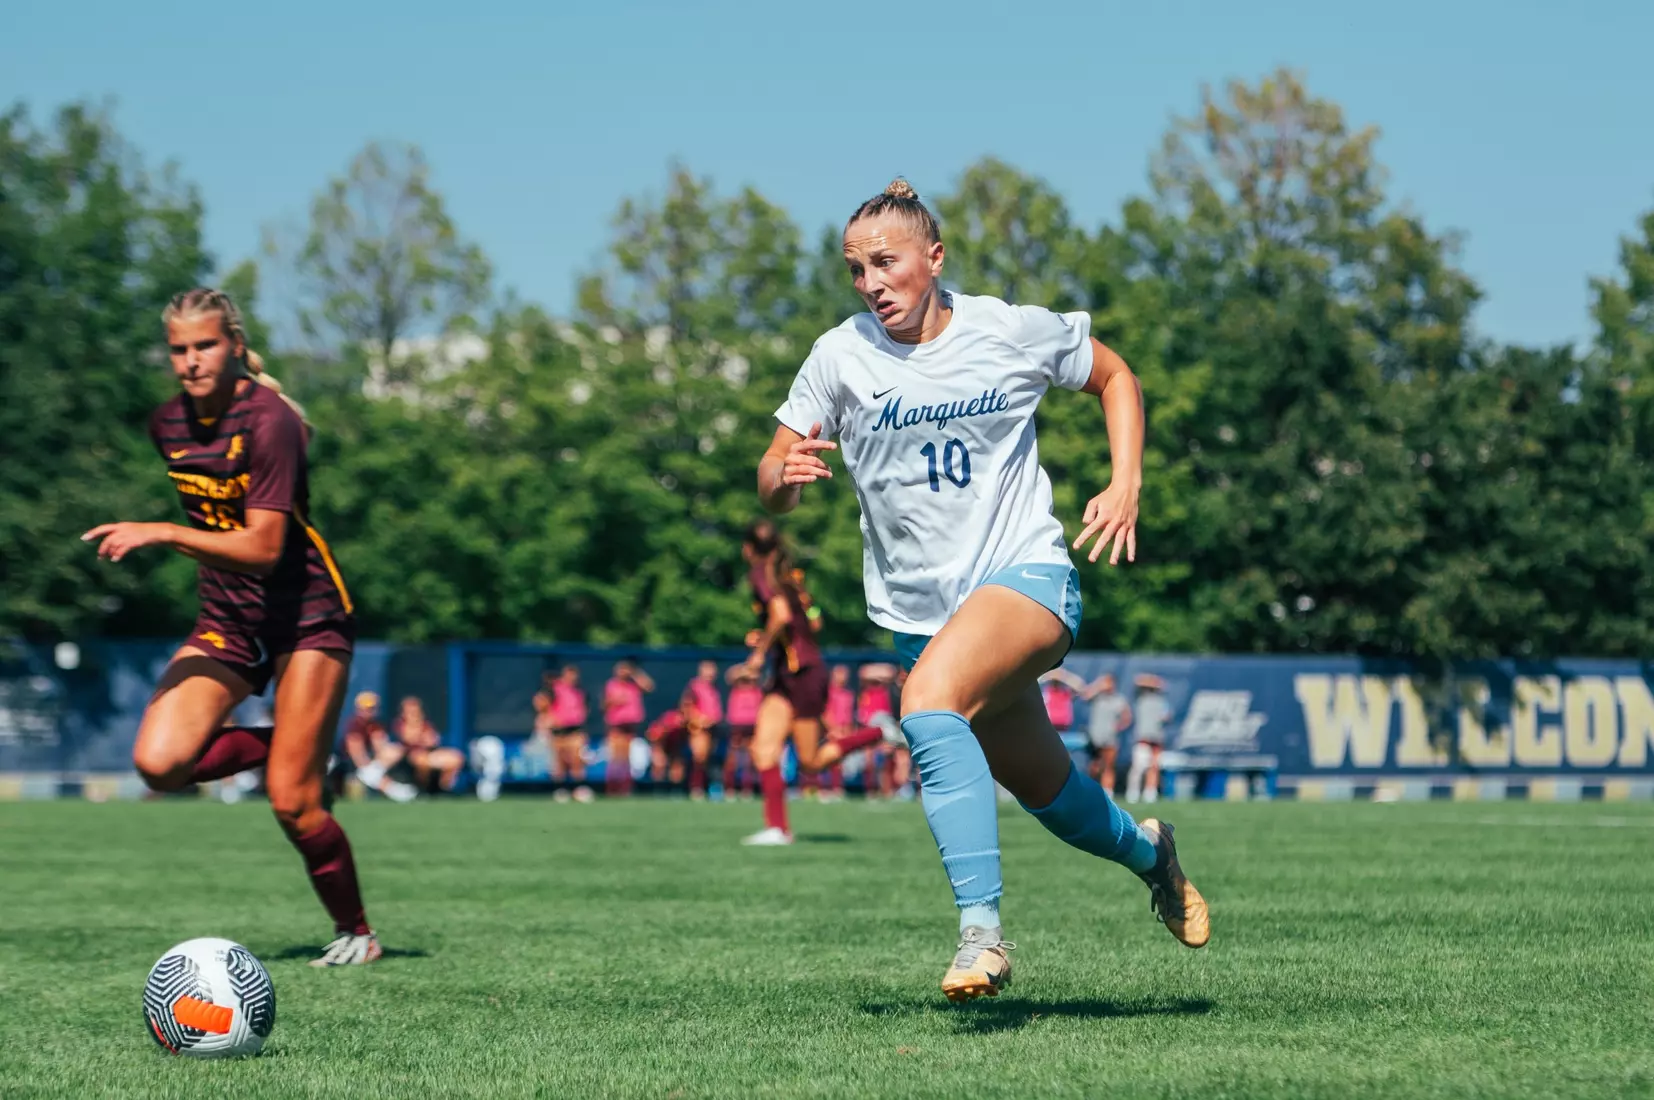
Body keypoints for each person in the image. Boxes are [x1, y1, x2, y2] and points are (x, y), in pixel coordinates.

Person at [757, 180, 1207, 1001]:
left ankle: (982, 937)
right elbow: (771, 472)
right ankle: (1153, 855)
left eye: (885, 263)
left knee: (928, 704)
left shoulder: (1007, 328)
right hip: (919, 615)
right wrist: (782, 477)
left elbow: (1114, 376)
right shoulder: (840, 355)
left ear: (934, 258)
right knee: (1052, 795)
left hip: (1025, 577)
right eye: (856, 269)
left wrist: (1126, 481)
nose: (870, 283)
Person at [85, 287, 381, 967]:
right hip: (228, 618)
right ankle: (296, 753)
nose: (191, 361)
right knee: (160, 764)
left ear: (237, 347)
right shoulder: (168, 423)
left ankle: (358, 932)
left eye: (206, 345)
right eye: (179, 349)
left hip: (305, 616)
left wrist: (161, 532)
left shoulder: (270, 420)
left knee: (294, 808)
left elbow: (263, 549)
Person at [738, 520, 891, 845]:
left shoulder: (760, 574)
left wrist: (759, 652)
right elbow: (814, 621)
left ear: (748, 548)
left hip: (803, 675)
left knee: (810, 762)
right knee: (764, 750)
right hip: (788, 676)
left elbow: (780, 615)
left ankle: (880, 731)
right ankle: (778, 829)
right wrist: (771, 636)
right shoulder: (791, 578)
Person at [343, 691, 418, 802]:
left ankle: (371, 774)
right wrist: (365, 767)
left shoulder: (376, 724)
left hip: (373, 762)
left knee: (395, 750)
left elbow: (381, 746)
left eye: (372, 708)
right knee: (370, 770)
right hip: (354, 763)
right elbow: (357, 753)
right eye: (366, 708)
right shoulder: (355, 724)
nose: (369, 711)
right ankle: (390, 787)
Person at [392, 695, 465, 794]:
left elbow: (432, 740)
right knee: (421, 760)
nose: (414, 713)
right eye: (410, 710)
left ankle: (445, 788)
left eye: (416, 709)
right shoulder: (400, 723)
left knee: (455, 758)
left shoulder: (425, 724)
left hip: (430, 752)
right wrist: (419, 734)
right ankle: (423, 789)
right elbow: (409, 739)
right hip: (411, 756)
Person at [602, 659, 654, 797]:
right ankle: (612, 788)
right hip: (616, 727)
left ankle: (625, 788)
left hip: (630, 728)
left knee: (626, 759)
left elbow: (649, 686)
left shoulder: (634, 685)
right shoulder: (612, 685)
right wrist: (615, 701)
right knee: (615, 758)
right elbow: (605, 704)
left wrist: (635, 673)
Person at [546, 665, 594, 803]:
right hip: (559, 732)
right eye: (569, 674)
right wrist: (551, 719)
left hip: (575, 731)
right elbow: (542, 703)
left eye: (574, 675)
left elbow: (584, 709)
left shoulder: (579, 692)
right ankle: (561, 790)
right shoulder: (553, 689)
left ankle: (579, 789)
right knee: (559, 762)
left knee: (577, 760)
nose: (572, 678)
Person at [1080, 673, 1132, 793]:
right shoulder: (1097, 697)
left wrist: (1118, 727)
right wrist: (1097, 685)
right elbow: (1084, 696)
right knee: (1094, 766)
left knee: (1109, 765)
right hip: (1095, 738)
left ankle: (1107, 791)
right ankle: (1091, 789)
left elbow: (1127, 717)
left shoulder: (1119, 699)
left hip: (1110, 738)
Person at [681, 660, 724, 800]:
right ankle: (695, 787)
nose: (711, 674)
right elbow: (686, 707)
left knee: (707, 759)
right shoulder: (694, 687)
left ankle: (706, 787)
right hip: (698, 728)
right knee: (699, 757)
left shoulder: (713, 688)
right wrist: (699, 720)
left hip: (712, 728)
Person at [1126, 674, 1171, 803]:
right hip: (1143, 737)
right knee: (1138, 767)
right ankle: (1133, 792)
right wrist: (1154, 681)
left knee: (1154, 767)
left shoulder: (1162, 701)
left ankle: (1150, 792)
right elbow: (1138, 680)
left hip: (1156, 737)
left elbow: (1166, 716)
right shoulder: (1141, 698)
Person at [722, 665, 763, 798]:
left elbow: (758, 676)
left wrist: (752, 672)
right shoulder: (736, 688)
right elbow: (730, 675)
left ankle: (747, 789)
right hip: (737, 724)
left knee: (750, 759)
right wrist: (746, 668)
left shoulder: (757, 689)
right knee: (733, 757)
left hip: (753, 725)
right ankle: (729, 788)